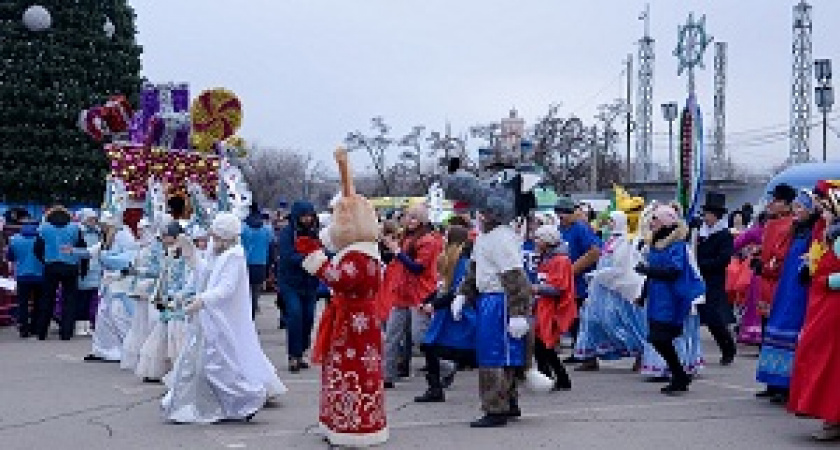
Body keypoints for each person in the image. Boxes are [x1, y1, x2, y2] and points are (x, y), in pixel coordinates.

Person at [295, 148, 388, 446]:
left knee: (352, 372)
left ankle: (353, 427)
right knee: (350, 370)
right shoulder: (366, 253)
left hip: (353, 323)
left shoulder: (359, 257)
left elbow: (341, 279)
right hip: (356, 322)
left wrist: (316, 259)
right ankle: (343, 422)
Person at [162, 213, 287, 424]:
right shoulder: (217, 252)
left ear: (227, 237)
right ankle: (199, 404)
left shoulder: (235, 255)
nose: (213, 240)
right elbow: (205, 274)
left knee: (221, 364)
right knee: (202, 364)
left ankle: (244, 400)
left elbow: (226, 288)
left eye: (217, 236)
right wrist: (191, 256)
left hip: (222, 320)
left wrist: (203, 300)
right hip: (209, 319)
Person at [756, 190, 819, 404]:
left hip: (800, 287)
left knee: (790, 329)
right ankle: (773, 380)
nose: (796, 212)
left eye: (801, 208)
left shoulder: (814, 231)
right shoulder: (796, 230)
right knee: (775, 326)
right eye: (796, 207)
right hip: (786, 284)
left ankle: (786, 384)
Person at [635, 205, 705, 395]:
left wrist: (648, 270)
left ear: (666, 222)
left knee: (661, 338)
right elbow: (651, 275)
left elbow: (675, 271)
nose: (652, 222)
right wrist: (642, 295)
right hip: (657, 297)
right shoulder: (656, 244)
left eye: (656, 219)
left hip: (671, 298)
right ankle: (679, 375)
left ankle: (679, 375)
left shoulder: (677, 245)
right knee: (658, 339)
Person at [572, 211, 647, 370]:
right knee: (592, 320)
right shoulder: (609, 241)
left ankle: (641, 353)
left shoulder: (625, 243)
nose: (609, 224)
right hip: (600, 289)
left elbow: (621, 268)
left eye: (612, 221)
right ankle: (589, 357)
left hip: (616, 290)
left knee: (621, 322)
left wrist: (600, 275)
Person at [788, 219, 840, 441]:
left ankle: (834, 418)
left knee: (830, 362)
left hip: (833, 309)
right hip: (826, 307)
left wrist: (828, 280)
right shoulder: (831, 235)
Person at [381, 205, 443, 388]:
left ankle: (445, 367)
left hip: (419, 294)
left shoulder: (428, 241)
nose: (409, 220)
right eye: (408, 217)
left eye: (414, 218)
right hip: (402, 293)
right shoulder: (406, 238)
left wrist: (397, 251)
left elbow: (417, 268)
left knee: (419, 337)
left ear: (422, 221)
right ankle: (387, 375)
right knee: (392, 335)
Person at [415, 225, 475, 403]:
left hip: (459, 313)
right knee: (430, 347)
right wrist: (429, 301)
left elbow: (457, 291)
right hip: (447, 311)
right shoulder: (451, 260)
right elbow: (443, 287)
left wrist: (433, 304)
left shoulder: (463, 262)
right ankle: (435, 387)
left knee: (469, 352)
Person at [80, 212, 138, 362]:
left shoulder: (125, 236)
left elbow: (129, 259)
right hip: (107, 284)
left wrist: (107, 259)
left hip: (120, 283)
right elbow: (92, 251)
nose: (102, 227)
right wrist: (74, 252)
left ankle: (128, 351)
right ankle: (103, 350)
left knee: (119, 317)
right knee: (103, 317)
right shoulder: (106, 237)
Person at [554, 196, 601, 367]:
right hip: (566, 282)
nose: (562, 216)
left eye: (565, 212)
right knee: (571, 318)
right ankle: (578, 350)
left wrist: (572, 269)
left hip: (580, 281)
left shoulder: (580, 229)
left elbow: (594, 252)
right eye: (559, 212)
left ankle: (588, 355)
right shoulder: (559, 229)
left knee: (581, 319)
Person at [275, 201, 321, 372]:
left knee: (308, 317)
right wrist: (307, 259)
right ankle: (293, 355)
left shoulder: (315, 232)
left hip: (310, 282)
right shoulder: (288, 233)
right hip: (290, 281)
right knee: (294, 315)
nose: (307, 219)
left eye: (309, 215)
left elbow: (323, 249)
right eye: (304, 216)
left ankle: (302, 351)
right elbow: (287, 255)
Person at [695, 192, 737, 366]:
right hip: (699, 277)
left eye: (708, 214)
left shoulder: (724, 234)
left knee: (713, 315)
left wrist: (702, 264)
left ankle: (728, 347)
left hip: (714, 278)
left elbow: (724, 259)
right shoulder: (701, 233)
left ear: (716, 216)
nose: (706, 217)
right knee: (701, 314)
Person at [531, 224, 575, 391]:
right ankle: (554, 377)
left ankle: (554, 377)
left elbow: (558, 288)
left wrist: (536, 288)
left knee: (543, 344)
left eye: (539, 239)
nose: (536, 242)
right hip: (543, 306)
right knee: (541, 345)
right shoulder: (548, 258)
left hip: (551, 307)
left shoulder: (560, 260)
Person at [33, 206, 86, 340]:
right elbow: (82, 247)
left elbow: (37, 248)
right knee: (69, 299)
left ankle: (42, 331)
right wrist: (84, 267)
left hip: (51, 265)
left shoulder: (44, 228)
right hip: (70, 266)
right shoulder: (75, 228)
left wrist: (45, 260)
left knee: (47, 298)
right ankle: (66, 332)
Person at [121, 219, 163, 371]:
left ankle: (150, 359)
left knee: (151, 322)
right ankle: (139, 358)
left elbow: (158, 269)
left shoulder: (156, 248)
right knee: (139, 323)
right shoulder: (141, 246)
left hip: (151, 290)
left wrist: (139, 271)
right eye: (138, 230)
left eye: (142, 230)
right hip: (140, 289)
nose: (139, 233)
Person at [6, 219, 44, 338]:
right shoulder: (41, 239)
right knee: (38, 303)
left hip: (22, 275)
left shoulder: (14, 239)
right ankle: (35, 327)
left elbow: (10, 257)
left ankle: (23, 328)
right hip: (40, 275)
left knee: (22, 303)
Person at [241, 203, 274, 319]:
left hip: (244, 264)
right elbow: (270, 249)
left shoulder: (243, 228)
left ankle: (244, 320)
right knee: (255, 294)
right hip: (260, 265)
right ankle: (251, 319)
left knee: (243, 294)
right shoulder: (266, 229)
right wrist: (269, 267)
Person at [75, 208, 102, 337]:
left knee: (90, 298)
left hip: (96, 269)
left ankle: (86, 325)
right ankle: (79, 325)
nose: (93, 221)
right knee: (81, 299)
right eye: (90, 219)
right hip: (84, 269)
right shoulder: (78, 231)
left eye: (94, 219)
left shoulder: (98, 233)